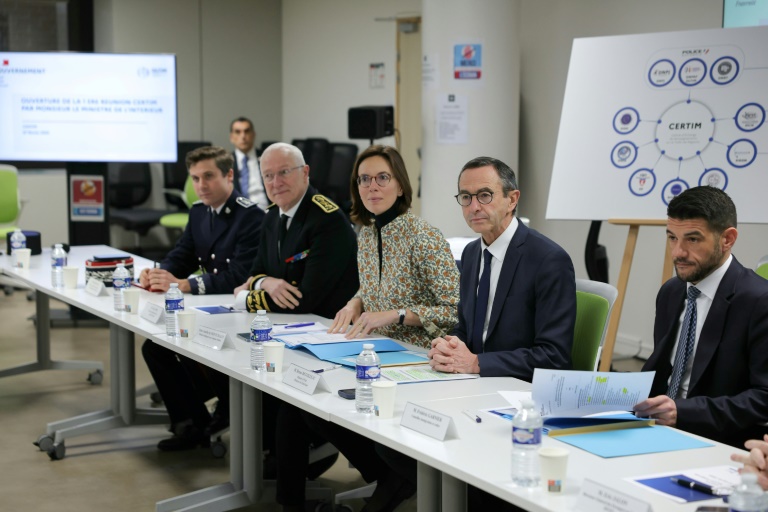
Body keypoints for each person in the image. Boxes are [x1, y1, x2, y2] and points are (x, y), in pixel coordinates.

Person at [274, 145, 461, 512]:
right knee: (303, 405)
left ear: (401, 186)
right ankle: (381, 477)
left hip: (418, 359)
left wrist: (395, 314)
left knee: (329, 404)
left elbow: (453, 310)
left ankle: (395, 476)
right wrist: (357, 301)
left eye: (382, 178)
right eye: (364, 179)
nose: (372, 186)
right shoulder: (367, 234)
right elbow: (377, 284)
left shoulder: (422, 235)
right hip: (376, 352)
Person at [140, 145, 264, 451]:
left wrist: (186, 286)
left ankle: (223, 411)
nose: (201, 185)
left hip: (241, 311)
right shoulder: (198, 212)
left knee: (198, 345)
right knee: (155, 347)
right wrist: (158, 273)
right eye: (195, 178)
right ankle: (191, 424)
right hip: (209, 309)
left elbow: (238, 275)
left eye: (208, 176)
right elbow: (182, 255)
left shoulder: (251, 217)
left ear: (229, 175)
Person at [632, 186, 768, 448]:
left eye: (692, 239)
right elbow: (661, 372)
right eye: (672, 238)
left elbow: (763, 398)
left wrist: (683, 412)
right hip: (656, 428)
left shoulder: (758, 302)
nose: (678, 253)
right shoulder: (671, 292)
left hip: (717, 441)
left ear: (727, 239)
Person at [428, 156, 576, 378]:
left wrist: (477, 363)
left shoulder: (549, 260)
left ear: (512, 199)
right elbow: (467, 327)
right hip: (473, 382)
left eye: (485, 195)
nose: (474, 207)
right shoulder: (470, 253)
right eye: (466, 197)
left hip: (520, 390)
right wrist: (450, 346)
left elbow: (553, 356)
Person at [233, 142, 358, 317]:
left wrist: (244, 298)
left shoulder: (328, 220)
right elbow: (255, 273)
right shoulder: (272, 215)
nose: (276, 183)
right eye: (268, 175)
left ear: (305, 172)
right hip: (283, 323)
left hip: (325, 328)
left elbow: (303, 299)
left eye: (284, 172)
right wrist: (265, 282)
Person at [230, 116, 269, 210]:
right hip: (237, 214)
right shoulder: (226, 162)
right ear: (231, 137)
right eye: (238, 132)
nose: (243, 136)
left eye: (247, 131)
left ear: (254, 134)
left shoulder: (267, 157)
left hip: (266, 212)